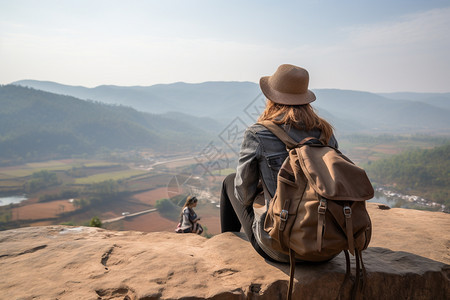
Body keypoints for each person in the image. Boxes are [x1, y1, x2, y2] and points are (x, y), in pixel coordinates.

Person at [220, 64, 338, 262]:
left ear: (272, 99)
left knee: (230, 181)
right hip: (327, 246)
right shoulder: (325, 132)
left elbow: (243, 195)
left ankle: (225, 248)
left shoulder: (258, 133)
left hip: (281, 248)